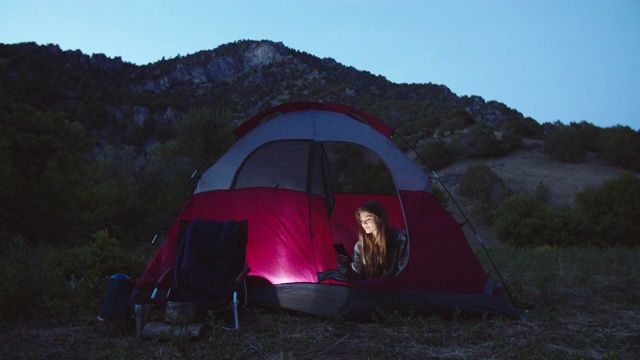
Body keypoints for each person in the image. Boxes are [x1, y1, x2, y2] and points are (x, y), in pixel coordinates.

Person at [337, 200, 409, 281]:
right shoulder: (360, 245)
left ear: (380, 218)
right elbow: (358, 277)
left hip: (396, 288)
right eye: (361, 220)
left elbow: (405, 272)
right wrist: (347, 266)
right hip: (371, 289)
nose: (364, 223)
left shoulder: (401, 239)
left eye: (368, 219)